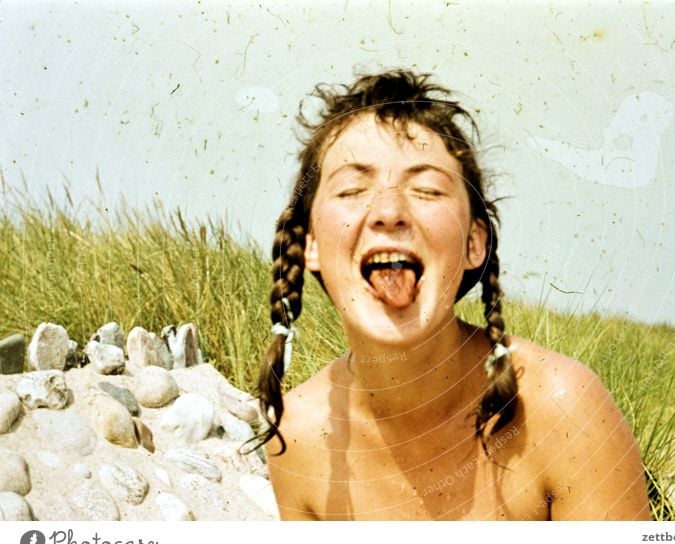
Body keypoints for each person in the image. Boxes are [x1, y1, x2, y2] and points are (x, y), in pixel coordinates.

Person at [257, 69, 651, 520]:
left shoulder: (560, 409)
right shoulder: (300, 438)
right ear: (309, 245)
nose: (388, 211)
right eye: (352, 189)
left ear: (473, 243)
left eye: (426, 189)